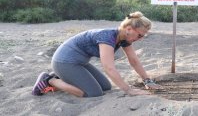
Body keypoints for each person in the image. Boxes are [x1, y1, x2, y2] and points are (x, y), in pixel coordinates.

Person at [32, 11, 162, 97]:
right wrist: (128, 90)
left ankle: (62, 78)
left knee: (105, 87)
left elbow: (134, 61)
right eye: (139, 35)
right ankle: (50, 80)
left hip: (80, 62)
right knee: (93, 93)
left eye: (142, 36)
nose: (140, 39)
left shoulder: (123, 38)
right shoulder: (108, 36)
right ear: (128, 29)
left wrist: (147, 80)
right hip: (64, 62)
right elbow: (108, 68)